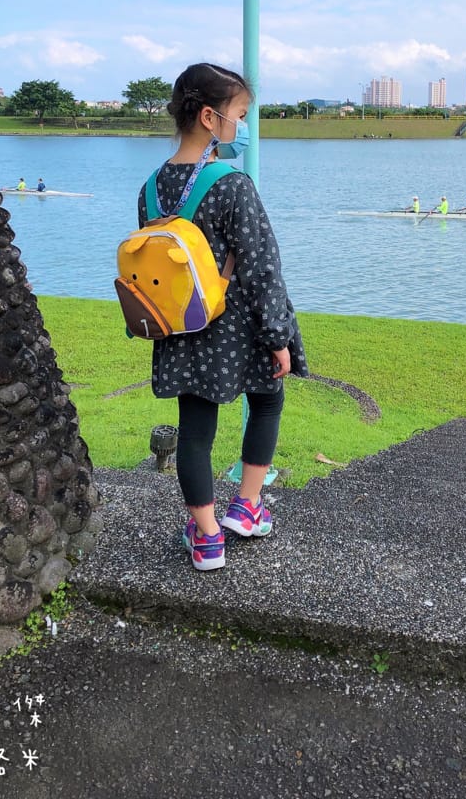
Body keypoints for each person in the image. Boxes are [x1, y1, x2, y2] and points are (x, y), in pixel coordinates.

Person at [138, 62, 308, 572]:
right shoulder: (231, 184)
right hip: (241, 327)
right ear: (211, 118)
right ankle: (248, 507)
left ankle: (208, 536)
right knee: (268, 400)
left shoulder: (149, 188)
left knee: (194, 430)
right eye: (240, 115)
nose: (243, 127)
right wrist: (280, 336)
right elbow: (261, 266)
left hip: (185, 328)